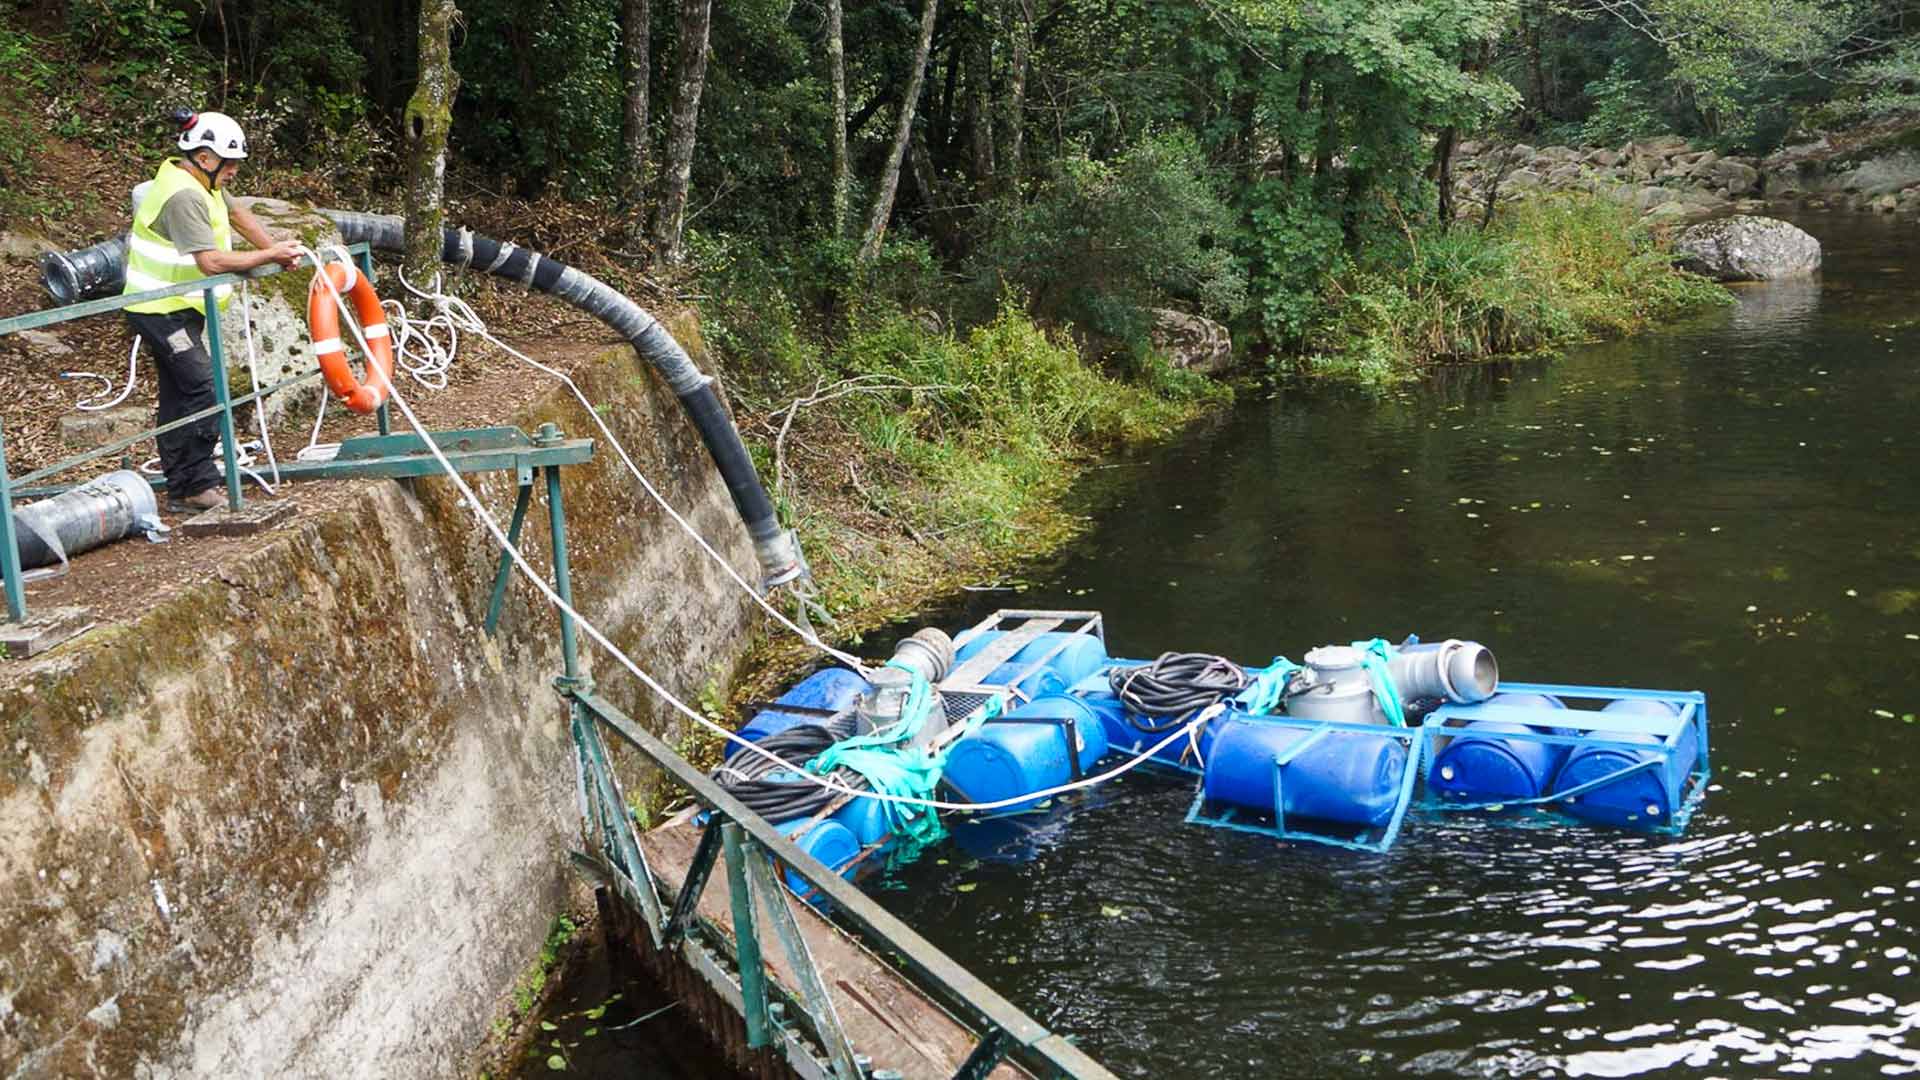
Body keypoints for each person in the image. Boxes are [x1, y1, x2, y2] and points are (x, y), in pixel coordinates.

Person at [121, 110, 301, 514]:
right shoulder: (184, 195)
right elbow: (211, 263)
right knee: (205, 387)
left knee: (179, 394)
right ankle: (197, 483)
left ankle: (182, 487)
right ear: (205, 158)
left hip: (179, 308)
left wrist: (276, 249)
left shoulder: (204, 182)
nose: (235, 171)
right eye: (231, 163)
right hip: (159, 309)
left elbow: (238, 214)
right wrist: (269, 254)